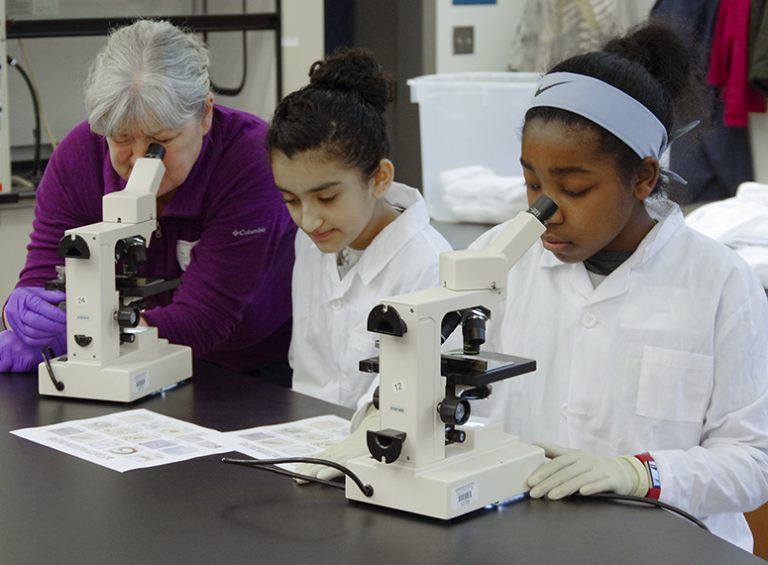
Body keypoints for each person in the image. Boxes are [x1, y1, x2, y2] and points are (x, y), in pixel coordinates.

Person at [295, 24, 768, 551]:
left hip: (673, 548)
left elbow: (752, 463)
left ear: (644, 177)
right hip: (523, 539)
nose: (544, 211)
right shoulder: (501, 257)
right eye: (532, 184)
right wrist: (368, 435)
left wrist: (641, 474)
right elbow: (413, 371)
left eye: (574, 188)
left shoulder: (721, 283)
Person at [0, 20, 296, 380]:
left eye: (160, 141)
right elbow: (46, 272)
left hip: (254, 366)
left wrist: (82, 339)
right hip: (129, 358)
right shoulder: (79, 157)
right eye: (121, 138)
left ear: (205, 115)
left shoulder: (250, 160)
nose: (140, 160)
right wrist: (26, 314)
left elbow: (205, 317)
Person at [267, 47, 452, 409]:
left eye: (327, 197)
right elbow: (307, 373)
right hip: (306, 436)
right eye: (291, 200)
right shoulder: (313, 241)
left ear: (379, 178)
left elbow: (410, 401)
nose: (308, 220)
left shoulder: (429, 266)